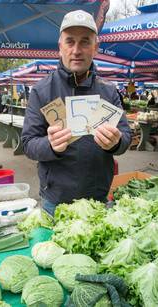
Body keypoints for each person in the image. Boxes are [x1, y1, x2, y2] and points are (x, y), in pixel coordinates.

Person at [21, 10, 131, 217]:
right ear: (60, 47)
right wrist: (50, 145)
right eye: (70, 42)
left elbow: (125, 137)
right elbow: (28, 144)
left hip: (97, 198)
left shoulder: (108, 91)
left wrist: (116, 142)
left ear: (95, 48)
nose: (77, 50)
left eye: (85, 42)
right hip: (55, 200)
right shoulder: (42, 91)